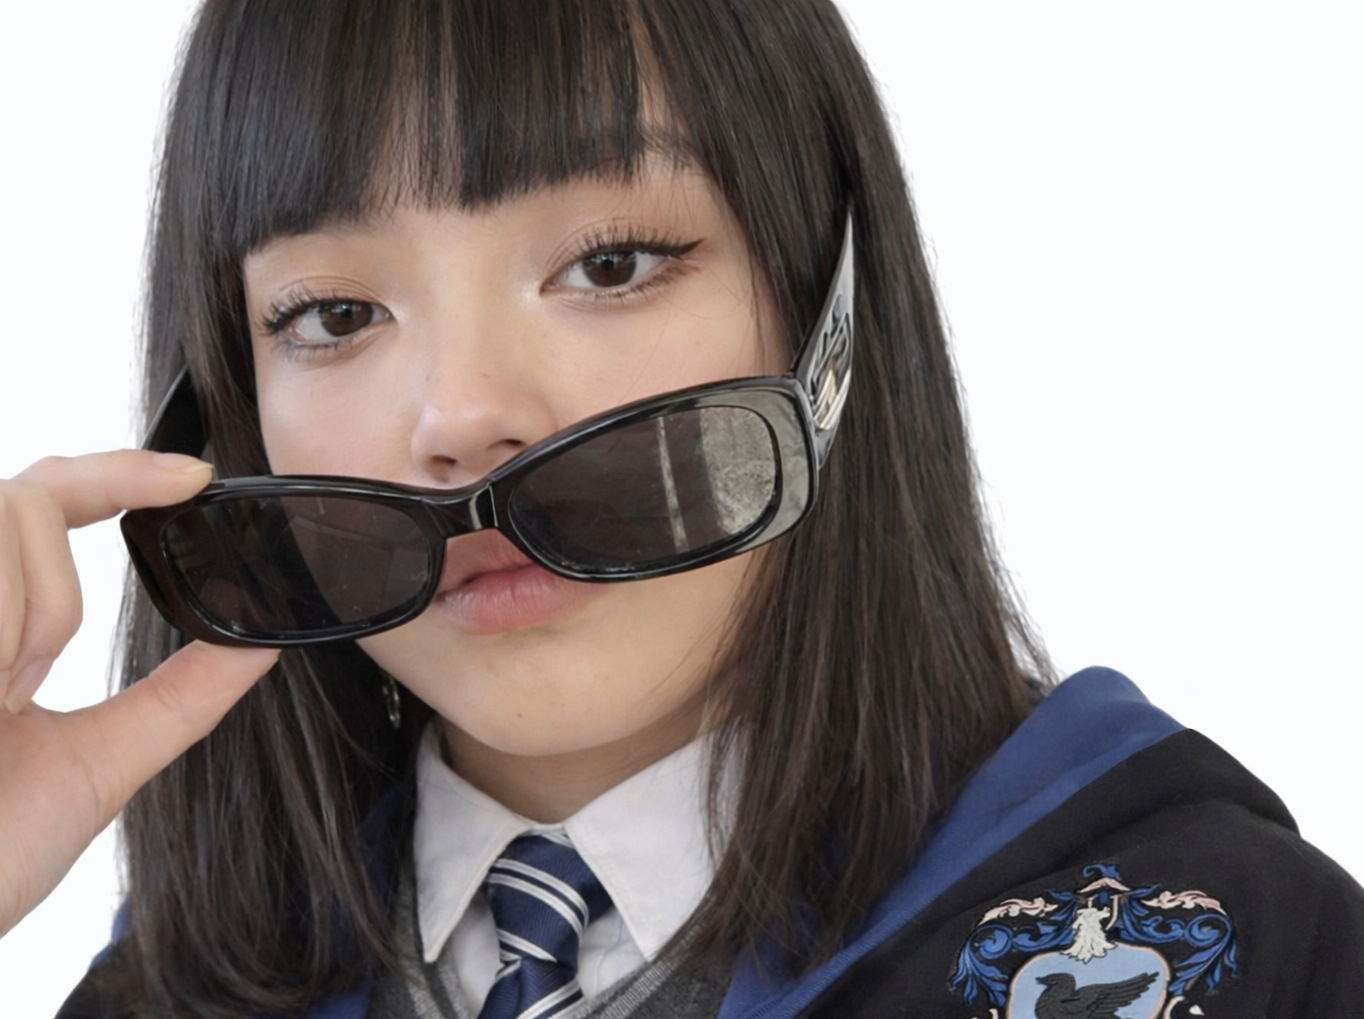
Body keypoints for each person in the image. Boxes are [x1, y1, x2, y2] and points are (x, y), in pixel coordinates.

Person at [0, 2, 1360, 1018]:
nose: (461, 414)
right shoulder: (159, 997)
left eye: (611, 263)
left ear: (831, 322)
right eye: (337, 314)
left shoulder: (1225, 952)